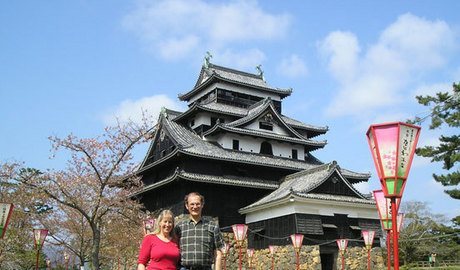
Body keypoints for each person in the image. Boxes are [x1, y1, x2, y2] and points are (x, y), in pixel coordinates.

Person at [175, 192, 224, 270]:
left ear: (202, 205)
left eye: (198, 204)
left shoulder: (213, 226)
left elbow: (218, 252)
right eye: (192, 204)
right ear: (187, 206)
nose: (195, 207)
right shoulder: (179, 227)